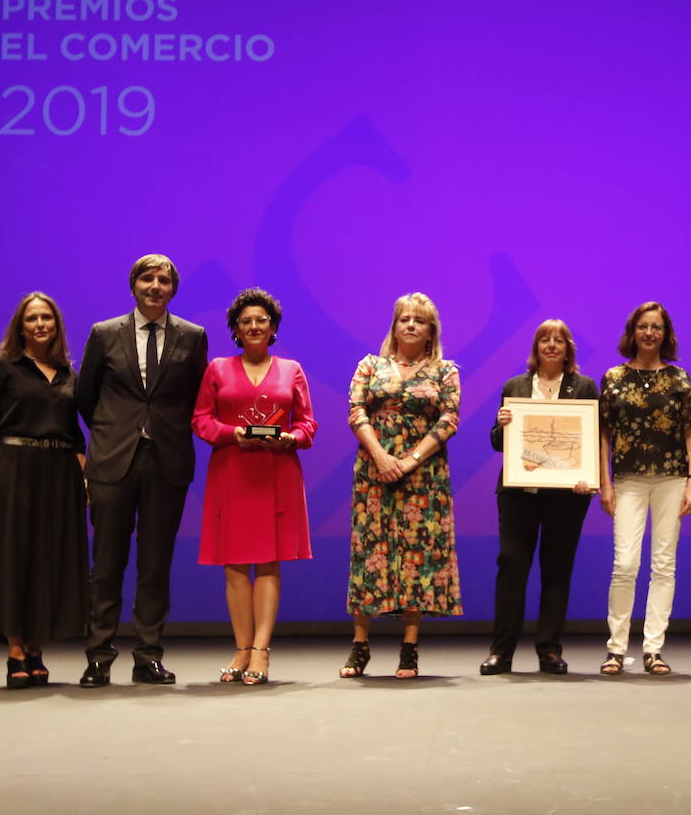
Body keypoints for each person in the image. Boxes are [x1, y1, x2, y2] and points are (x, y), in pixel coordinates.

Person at [76, 254, 209, 687]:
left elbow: (197, 396)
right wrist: (115, 431)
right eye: (147, 278)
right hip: (113, 459)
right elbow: (85, 395)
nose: (155, 286)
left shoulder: (192, 336)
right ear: (133, 284)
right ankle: (99, 656)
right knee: (107, 564)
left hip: (167, 461)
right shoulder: (103, 333)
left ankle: (148, 655)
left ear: (173, 288)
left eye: (164, 280)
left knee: (156, 564)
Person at [0, 292, 87, 688]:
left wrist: (84, 478)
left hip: (61, 471)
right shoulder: (2, 367)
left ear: (56, 324)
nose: (39, 325)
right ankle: (15, 651)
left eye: (46, 318)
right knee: (14, 558)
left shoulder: (70, 374)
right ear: (21, 325)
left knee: (50, 560)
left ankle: (36, 648)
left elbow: (76, 436)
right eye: (31, 318)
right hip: (14, 467)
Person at [192, 288, 316, 685]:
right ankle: (241, 649)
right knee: (233, 565)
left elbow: (307, 425)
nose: (254, 326)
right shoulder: (217, 369)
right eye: (245, 321)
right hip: (232, 470)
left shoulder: (292, 369)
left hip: (277, 473)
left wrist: (290, 439)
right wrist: (233, 434)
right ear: (236, 329)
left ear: (273, 326)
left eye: (261, 320)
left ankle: (262, 650)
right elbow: (201, 420)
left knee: (267, 561)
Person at [341, 292, 462, 679]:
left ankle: (409, 647)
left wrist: (409, 461)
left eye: (419, 320)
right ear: (394, 326)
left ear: (431, 331)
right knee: (370, 553)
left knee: (416, 556)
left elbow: (448, 420)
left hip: (424, 475)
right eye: (404, 318)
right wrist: (380, 456)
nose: (410, 324)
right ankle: (360, 645)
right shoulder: (370, 365)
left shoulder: (445, 371)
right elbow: (356, 410)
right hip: (374, 469)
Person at [481, 320, 599, 676]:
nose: (551, 345)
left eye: (558, 340)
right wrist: (500, 424)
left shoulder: (584, 387)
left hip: (567, 497)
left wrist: (588, 479)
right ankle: (501, 651)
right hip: (520, 495)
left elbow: (591, 441)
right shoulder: (515, 386)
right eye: (545, 340)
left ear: (568, 349)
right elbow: (499, 443)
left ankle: (549, 650)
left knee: (557, 570)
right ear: (536, 348)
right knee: (512, 567)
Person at [598, 301, 691, 675]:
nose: (649, 333)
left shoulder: (680, 378)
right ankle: (616, 648)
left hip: (673, 478)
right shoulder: (613, 378)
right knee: (625, 564)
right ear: (632, 331)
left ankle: (653, 649)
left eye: (656, 327)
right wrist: (604, 483)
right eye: (643, 326)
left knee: (663, 566)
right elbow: (603, 436)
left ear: (665, 334)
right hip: (627, 479)